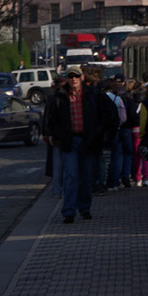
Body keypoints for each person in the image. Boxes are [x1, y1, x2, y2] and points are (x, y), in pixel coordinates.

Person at [44, 66, 118, 223]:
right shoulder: (59, 97)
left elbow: (110, 113)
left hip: (88, 141)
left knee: (86, 176)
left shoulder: (93, 94)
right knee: (70, 175)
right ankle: (69, 212)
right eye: (70, 76)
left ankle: (84, 208)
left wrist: (101, 133)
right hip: (69, 141)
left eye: (76, 76)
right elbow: (50, 118)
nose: (73, 79)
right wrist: (53, 135)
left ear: (82, 78)